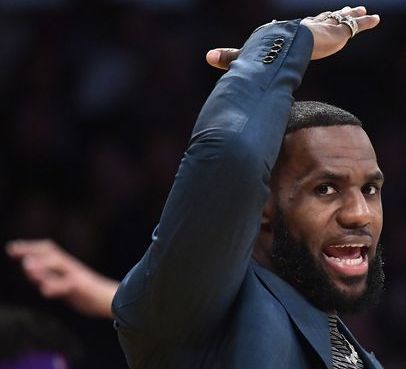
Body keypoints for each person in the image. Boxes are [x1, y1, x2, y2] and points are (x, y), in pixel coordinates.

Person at [111, 6, 384, 369]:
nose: (359, 213)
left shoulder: (344, 346)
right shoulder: (199, 308)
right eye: (325, 189)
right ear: (262, 204)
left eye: (369, 189)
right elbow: (232, 155)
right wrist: (285, 43)